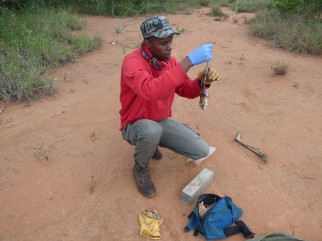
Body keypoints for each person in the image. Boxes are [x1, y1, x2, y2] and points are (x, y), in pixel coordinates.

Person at [119, 16, 220, 198]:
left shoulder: (169, 63)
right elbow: (150, 91)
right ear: (148, 43)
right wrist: (189, 61)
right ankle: (140, 167)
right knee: (151, 130)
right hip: (135, 124)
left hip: (158, 121)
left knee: (201, 150)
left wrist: (202, 82)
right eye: (164, 42)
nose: (170, 46)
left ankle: (153, 142)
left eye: (171, 41)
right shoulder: (132, 62)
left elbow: (184, 89)